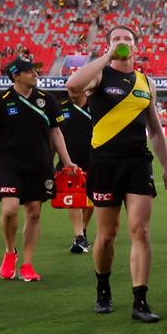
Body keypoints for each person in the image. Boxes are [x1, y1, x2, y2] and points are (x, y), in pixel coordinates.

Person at [66, 27, 167, 321]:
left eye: (127, 39)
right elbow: (73, 85)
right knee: (106, 235)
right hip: (104, 162)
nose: (122, 43)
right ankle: (103, 288)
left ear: (136, 46)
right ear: (109, 45)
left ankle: (140, 301)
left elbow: (155, 129)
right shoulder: (100, 75)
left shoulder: (145, 82)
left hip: (138, 163)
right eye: (116, 39)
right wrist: (106, 56)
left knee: (140, 231)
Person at [0, 56, 77, 281]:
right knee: (9, 210)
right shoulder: (1, 101)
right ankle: (10, 252)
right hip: (10, 165)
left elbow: (56, 133)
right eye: (30, 71)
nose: (36, 74)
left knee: (34, 212)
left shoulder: (47, 100)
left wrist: (67, 161)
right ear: (16, 75)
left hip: (40, 165)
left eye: (36, 70)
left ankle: (27, 265)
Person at [57, 86, 94, 253]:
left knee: (91, 201)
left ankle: (83, 230)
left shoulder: (96, 106)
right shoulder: (61, 107)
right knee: (74, 198)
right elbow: (53, 134)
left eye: (75, 90)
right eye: (69, 90)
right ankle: (78, 236)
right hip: (69, 162)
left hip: (94, 161)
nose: (72, 94)